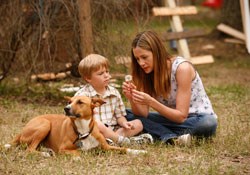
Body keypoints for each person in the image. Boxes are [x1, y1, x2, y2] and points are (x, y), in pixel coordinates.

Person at [122, 30, 218, 145]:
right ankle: (171, 137)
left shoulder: (182, 68)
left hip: (195, 119)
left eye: (144, 57)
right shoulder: (144, 73)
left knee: (208, 123)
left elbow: (181, 116)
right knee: (125, 113)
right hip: (170, 120)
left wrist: (151, 102)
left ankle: (158, 133)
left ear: (157, 53)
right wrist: (132, 98)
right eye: (137, 59)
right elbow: (142, 115)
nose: (141, 63)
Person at [74, 54, 153, 146]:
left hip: (113, 129)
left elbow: (119, 116)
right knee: (97, 124)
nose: (106, 75)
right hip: (93, 131)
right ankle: (125, 142)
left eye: (107, 71)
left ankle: (110, 141)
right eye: (101, 74)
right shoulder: (82, 96)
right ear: (88, 78)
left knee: (138, 124)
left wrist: (124, 123)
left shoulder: (114, 92)